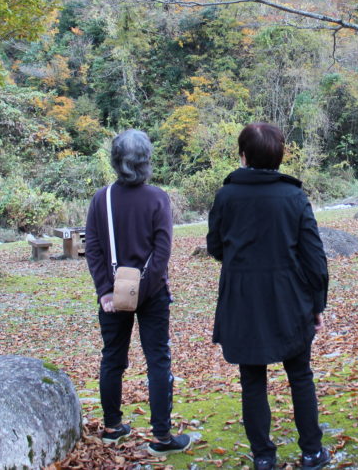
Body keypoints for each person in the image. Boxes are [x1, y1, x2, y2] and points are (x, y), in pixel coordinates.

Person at [207, 123, 331, 470]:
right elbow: (314, 257)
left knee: (252, 379)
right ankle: (311, 452)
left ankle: (263, 457)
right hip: (289, 298)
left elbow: (215, 246)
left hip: (243, 299)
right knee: (300, 374)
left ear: (243, 156)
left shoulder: (226, 196)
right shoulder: (293, 197)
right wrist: (317, 304)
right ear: (279, 155)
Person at [84, 130, 191, 454]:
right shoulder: (157, 198)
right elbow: (161, 253)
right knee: (158, 360)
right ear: (146, 161)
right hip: (153, 292)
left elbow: (93, 249)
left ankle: (112, 427)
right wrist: (143, 291)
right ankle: (162, 437)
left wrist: (106, 291)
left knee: (112, 359)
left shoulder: (101, 199)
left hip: (113, 293)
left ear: (115, 160)